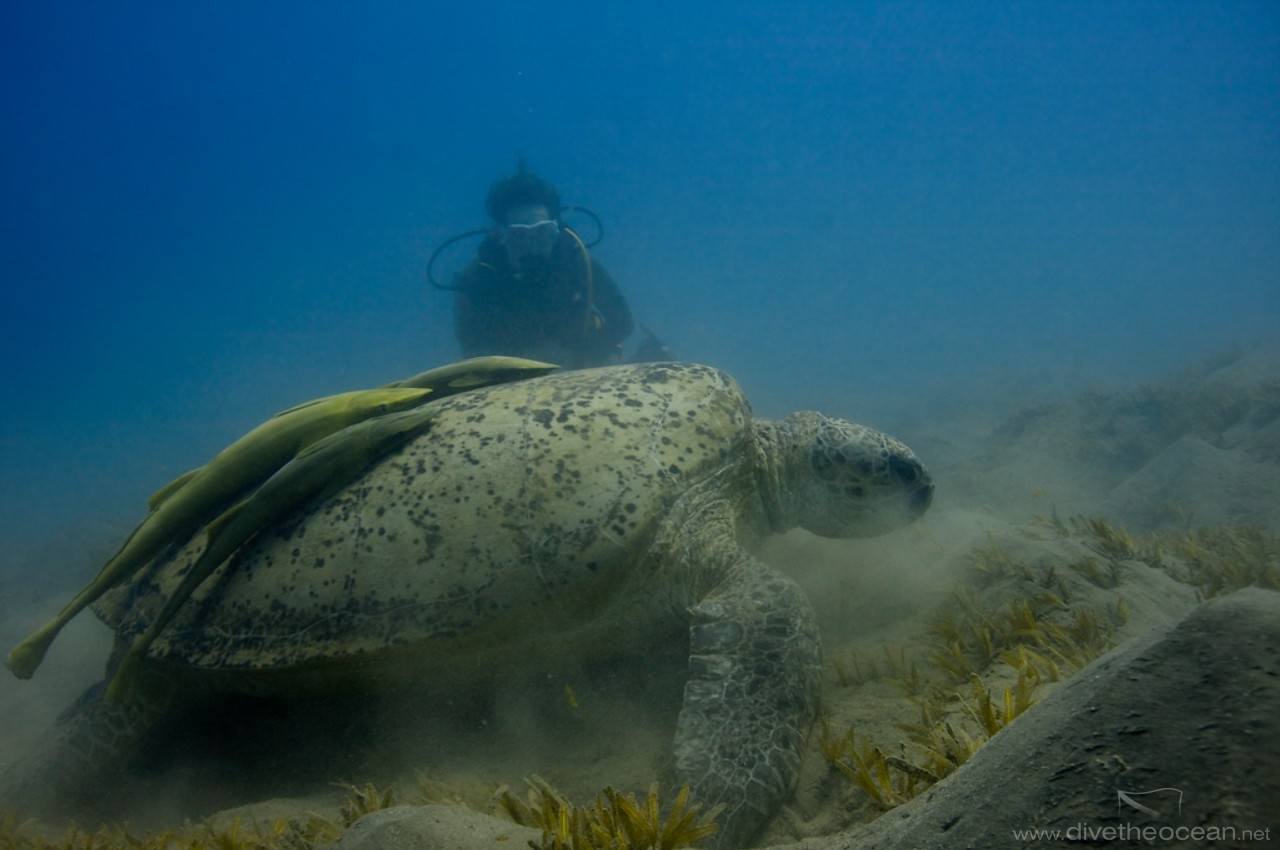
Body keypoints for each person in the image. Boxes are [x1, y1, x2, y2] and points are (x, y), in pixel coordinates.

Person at [449, 165, 634, 369]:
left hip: (581, 365)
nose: (533, 247)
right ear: (499, 236)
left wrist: (584, 354)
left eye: (542, 234)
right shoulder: (476, 280)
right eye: (519, 236)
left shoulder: (576, 262)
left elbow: (622, 320)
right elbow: (472, 349)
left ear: (556, 230)